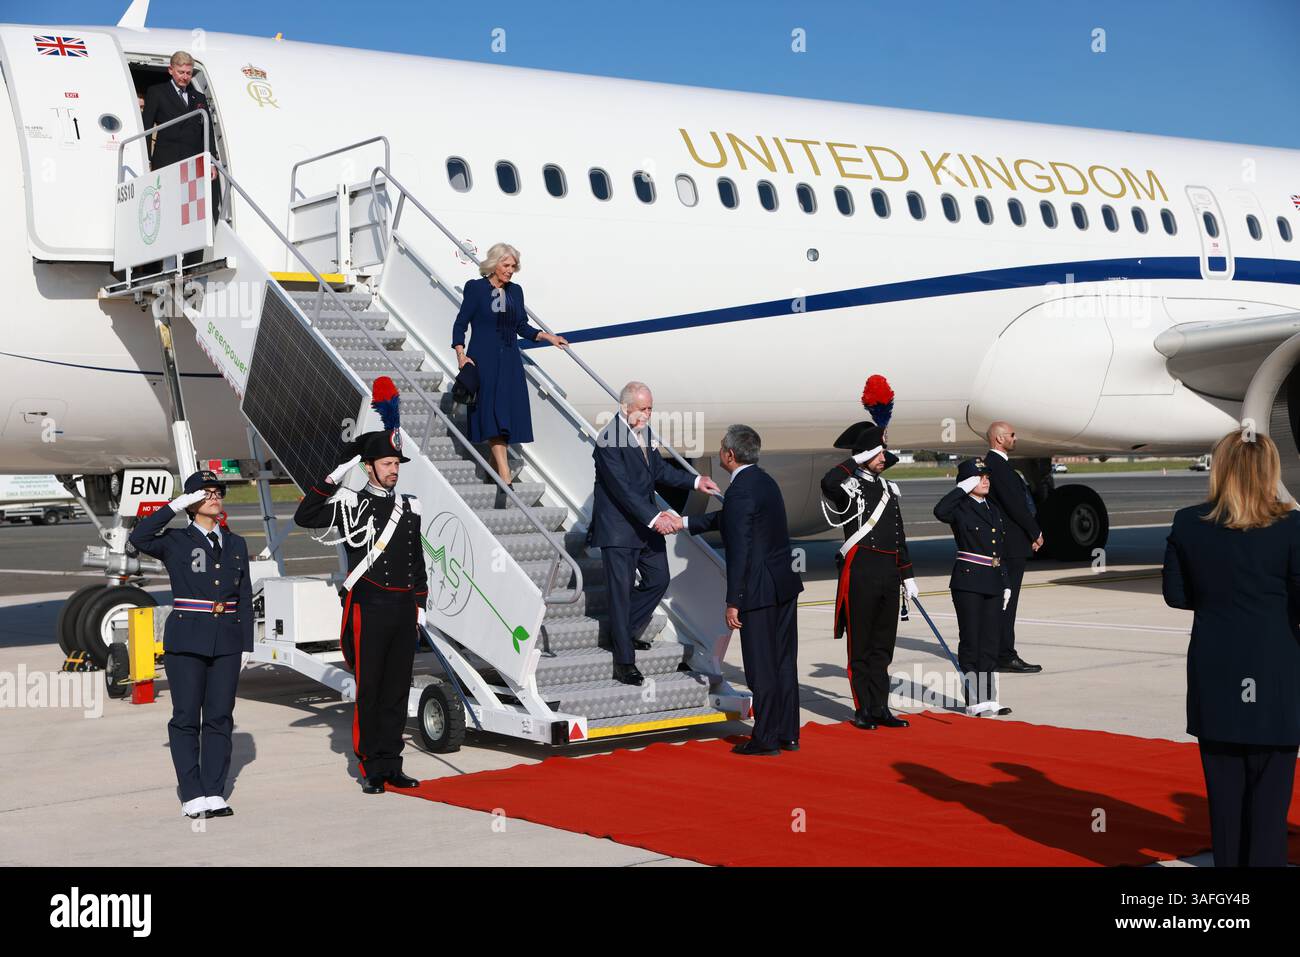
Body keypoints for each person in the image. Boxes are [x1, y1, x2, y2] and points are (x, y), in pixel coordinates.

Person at [1162, 429, 1300, 867]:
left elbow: (1176, 595)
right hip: (1275, 671)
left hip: (1216, 669)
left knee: (1224, 801)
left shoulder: (1188, 523)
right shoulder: (1293, 527)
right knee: (1270, 802)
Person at [294, 378, 429, 794]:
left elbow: (416, 560)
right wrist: (339, 470)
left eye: (396, 464)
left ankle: (392, 762)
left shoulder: (410, 506)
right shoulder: (351, 501)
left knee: (396, 688)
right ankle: (371, 765)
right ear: (369, 467)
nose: (393, 469)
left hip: (403, 608)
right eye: (387, 463)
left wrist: (421, 604)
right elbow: (306, 515)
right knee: (370, 689)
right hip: (368, 606)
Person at [128, 469, 251, 819]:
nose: (215, 496)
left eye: (218, 491)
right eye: (206, 492)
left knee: (219, 716)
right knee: (185, 718)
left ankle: (214, 790)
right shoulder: (175, 541)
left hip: (226, 638)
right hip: (186, 638)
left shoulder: (236, 543)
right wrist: (174, 504)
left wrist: (244, 645)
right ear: (192, 502)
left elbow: (242, 596)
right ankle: (192, 792)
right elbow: (140, 536)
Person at [589, 381, 721, 685]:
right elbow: (622, 490)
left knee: (658, 579)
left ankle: (622, 631)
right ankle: (624, 661)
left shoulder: (642, 431)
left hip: (644, 525)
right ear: (626, 407)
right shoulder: (609, 440)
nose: (648, 414)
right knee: (620, 595)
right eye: (644, 408)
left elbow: (658, 472)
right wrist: (655, 519)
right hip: (620, 530)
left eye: (651, 408)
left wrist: (695, 481)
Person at [684, 425, 803, 755]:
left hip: (758, 590)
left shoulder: (740, 491)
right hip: (783, 583)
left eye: (722, 447)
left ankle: (765, 739)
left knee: (760, 664)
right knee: (782, 660)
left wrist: (733, 600)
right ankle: (787, 733)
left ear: (729, 455)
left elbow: (740, 549)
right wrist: (684, 523)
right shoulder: (763, 482)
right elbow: (732, 520)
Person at [821, 409, 918, 730]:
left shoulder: (890, 489)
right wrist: (856, 459)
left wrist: (908, 575)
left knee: (882, 645)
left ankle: (881, 708)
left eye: (881, 453)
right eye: (876, 453)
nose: (882, 458)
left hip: (889, 573)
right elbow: (828, 482)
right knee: (861, 644)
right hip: (861, 571)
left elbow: (899, 536)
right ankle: (863, 708)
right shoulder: (849, 487)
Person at [452, 243, 569, 486]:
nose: (510, 270)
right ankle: (505, 476)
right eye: (506, 265)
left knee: (504, 415)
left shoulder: (516, 291)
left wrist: (548, 337)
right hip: (483, 360)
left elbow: (522, 327)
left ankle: (493, 474)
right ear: (494, 264)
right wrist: (461, 355)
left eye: (513, 266)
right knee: (494, 415)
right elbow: (460, 324)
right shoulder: (475, 289)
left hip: (509, 362)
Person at [933, 458, 1013, 716]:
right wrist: (960, 489)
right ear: (967, 482)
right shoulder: (960, 506)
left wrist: (1006, 581)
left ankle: (990, 697)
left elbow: (998, 548)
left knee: (990, 641)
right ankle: (973, 699)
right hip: (968, 580)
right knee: (971, 642)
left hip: (992, 579)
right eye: (980, 477)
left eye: (987, 476)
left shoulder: (993, 508)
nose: (986, 480)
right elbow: (940, 511)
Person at [984, 421, 1043, 674]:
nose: (1015, 438)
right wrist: (1035, 530)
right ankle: (1005, 654)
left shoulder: (993, 465)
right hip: (1011, 545)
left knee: (1003, 601)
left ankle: (998, 651)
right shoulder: (999, 467)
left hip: (1006, 542)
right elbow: (1015, 504)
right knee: (1008, 601)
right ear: (999, 439)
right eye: (1011, 435)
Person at [140, 51, 221, 215]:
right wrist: (145, 159)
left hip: (193, 160)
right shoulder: (157, 92)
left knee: (190, 208)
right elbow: (146, 128)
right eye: (181, 72)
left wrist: (211, 161)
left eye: (189, 73)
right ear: (171, 70)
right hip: (167, 159)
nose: (185, 77)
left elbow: (207, 130)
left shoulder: (198, 96)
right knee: (168, 207)